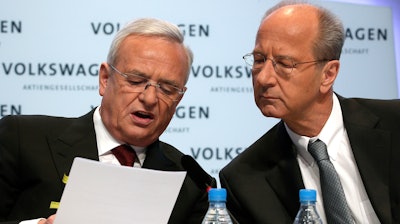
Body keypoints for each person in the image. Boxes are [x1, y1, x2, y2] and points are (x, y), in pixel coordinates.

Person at [0, 18, 215, 224]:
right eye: (136, 81)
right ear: (105, 79)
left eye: (167, 89)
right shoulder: (23, 139)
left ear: (179, 98)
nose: (149, 98)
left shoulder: (191, 183)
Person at [219, 1, 400, 223]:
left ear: (328, 74)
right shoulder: (244, 180)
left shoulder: (395, 123)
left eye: (284, 64)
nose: (263, 78)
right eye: (259, 60)